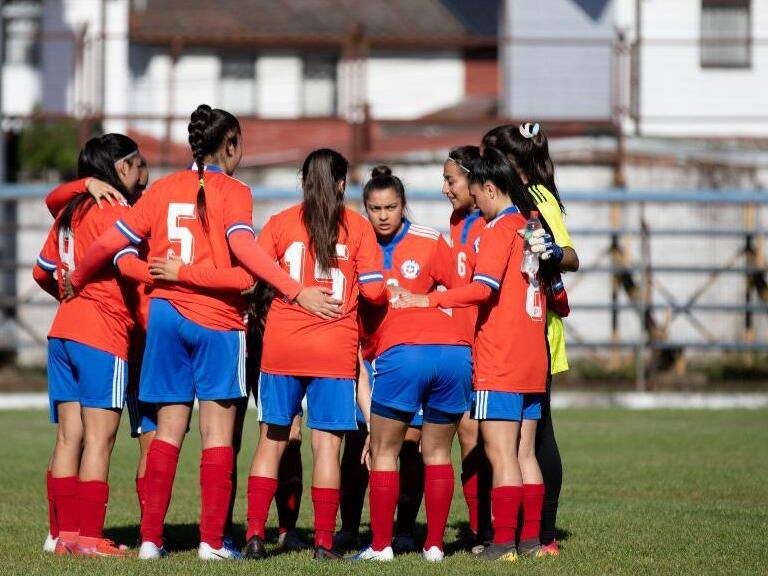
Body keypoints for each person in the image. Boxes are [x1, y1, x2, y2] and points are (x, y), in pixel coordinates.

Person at [66, 105, 337, 560]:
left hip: (167, 320)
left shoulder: (163, 188)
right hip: (217, 323)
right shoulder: (234, 190)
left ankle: (151, 540)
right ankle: (212, 541)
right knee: (216, 437)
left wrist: (78, 277)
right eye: (240, 142)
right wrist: (294, 290)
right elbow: (242, 249)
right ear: (229, 144)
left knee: (167, 433)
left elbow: (111, 243)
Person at [395, 148, 548, 561]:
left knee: (499, 454)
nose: (473, 203)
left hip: (501, 354)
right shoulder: (531, 226)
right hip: (535, 352)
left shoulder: (498, 230)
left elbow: (483, 289)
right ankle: (532, 541)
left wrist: (425, 302)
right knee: (524, 452)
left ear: (490, 188)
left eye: (476, 193)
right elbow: (556, 294)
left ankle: (503, 542)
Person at [243, 148, 386, 561]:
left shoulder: (280, 223)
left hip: (282, 345)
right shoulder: (358, 228)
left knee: (271, 442)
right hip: (334, 350)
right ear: (342, 184)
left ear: (303, 181)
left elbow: (252, 269)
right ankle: (324, 542)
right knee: (327, 449)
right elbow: (375, 291)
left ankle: (255, 535)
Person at [33, 134, 147, 557]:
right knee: (100, 440)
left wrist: (69, 296)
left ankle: (60, 535)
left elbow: (42, 271)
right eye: (140, 165)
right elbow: (125, 264)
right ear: (121, 169)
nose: (145, 173)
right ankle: (88, 538)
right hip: (102, 333)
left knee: (68, 437)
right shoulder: (114, 210)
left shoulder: (69, 210)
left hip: (62, 332)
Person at [353, 166, 472, 563]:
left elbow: (458, 293)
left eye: (391, 207)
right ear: (365, 208)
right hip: (428, 354)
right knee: (430, 451)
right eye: (375, 208)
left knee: (391, 449)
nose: (383, 216)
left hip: (401, 354)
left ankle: (385, 542)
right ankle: (432, 545)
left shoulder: (428, 241)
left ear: (404, 206)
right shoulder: (356, 238)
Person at [482, 122, 579, 555]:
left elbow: (570, 255)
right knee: (520, 439)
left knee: (537, 438)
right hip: (518, 329)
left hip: (538, 331)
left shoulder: (537, 198)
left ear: (508, 160)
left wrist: (552, 253)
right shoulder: (507, 198)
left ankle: (544, 535)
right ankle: (520, 530)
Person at [442, 145, 493, 547]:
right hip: (455, 343)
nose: (445, 188)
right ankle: (477, 528)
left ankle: (489, 529)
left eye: (450, 180)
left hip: (482, 343)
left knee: (478, 437)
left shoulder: (487, 224)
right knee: (460, 433)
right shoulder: (458, 220)